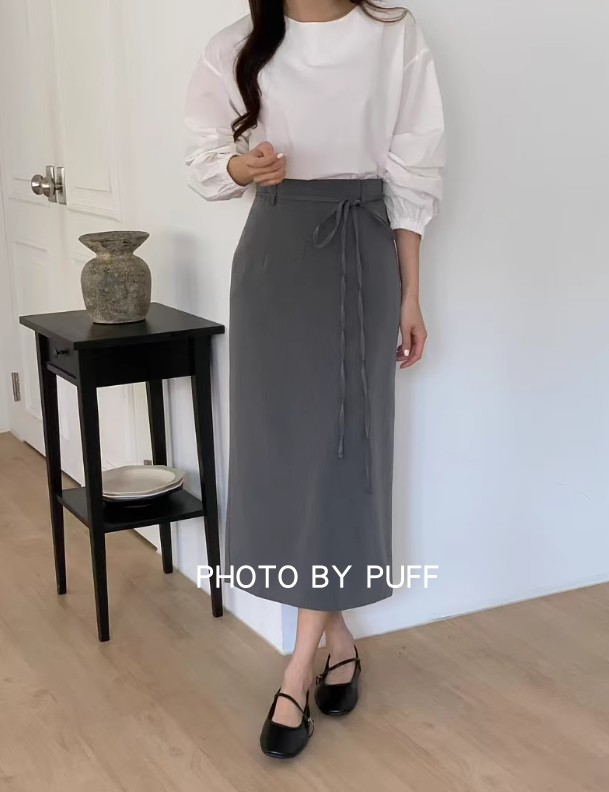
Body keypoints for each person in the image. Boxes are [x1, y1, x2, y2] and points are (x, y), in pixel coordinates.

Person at [184, 0, 446, 759]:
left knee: (343, 455)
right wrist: (242, 167)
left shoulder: (394, 33)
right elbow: (205, 156)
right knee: (283, 455)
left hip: (361, 247)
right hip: (274, 255)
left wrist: (411, 294)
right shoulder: (238, 44)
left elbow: (414, 167)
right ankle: (339, 641)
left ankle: (296, 671)